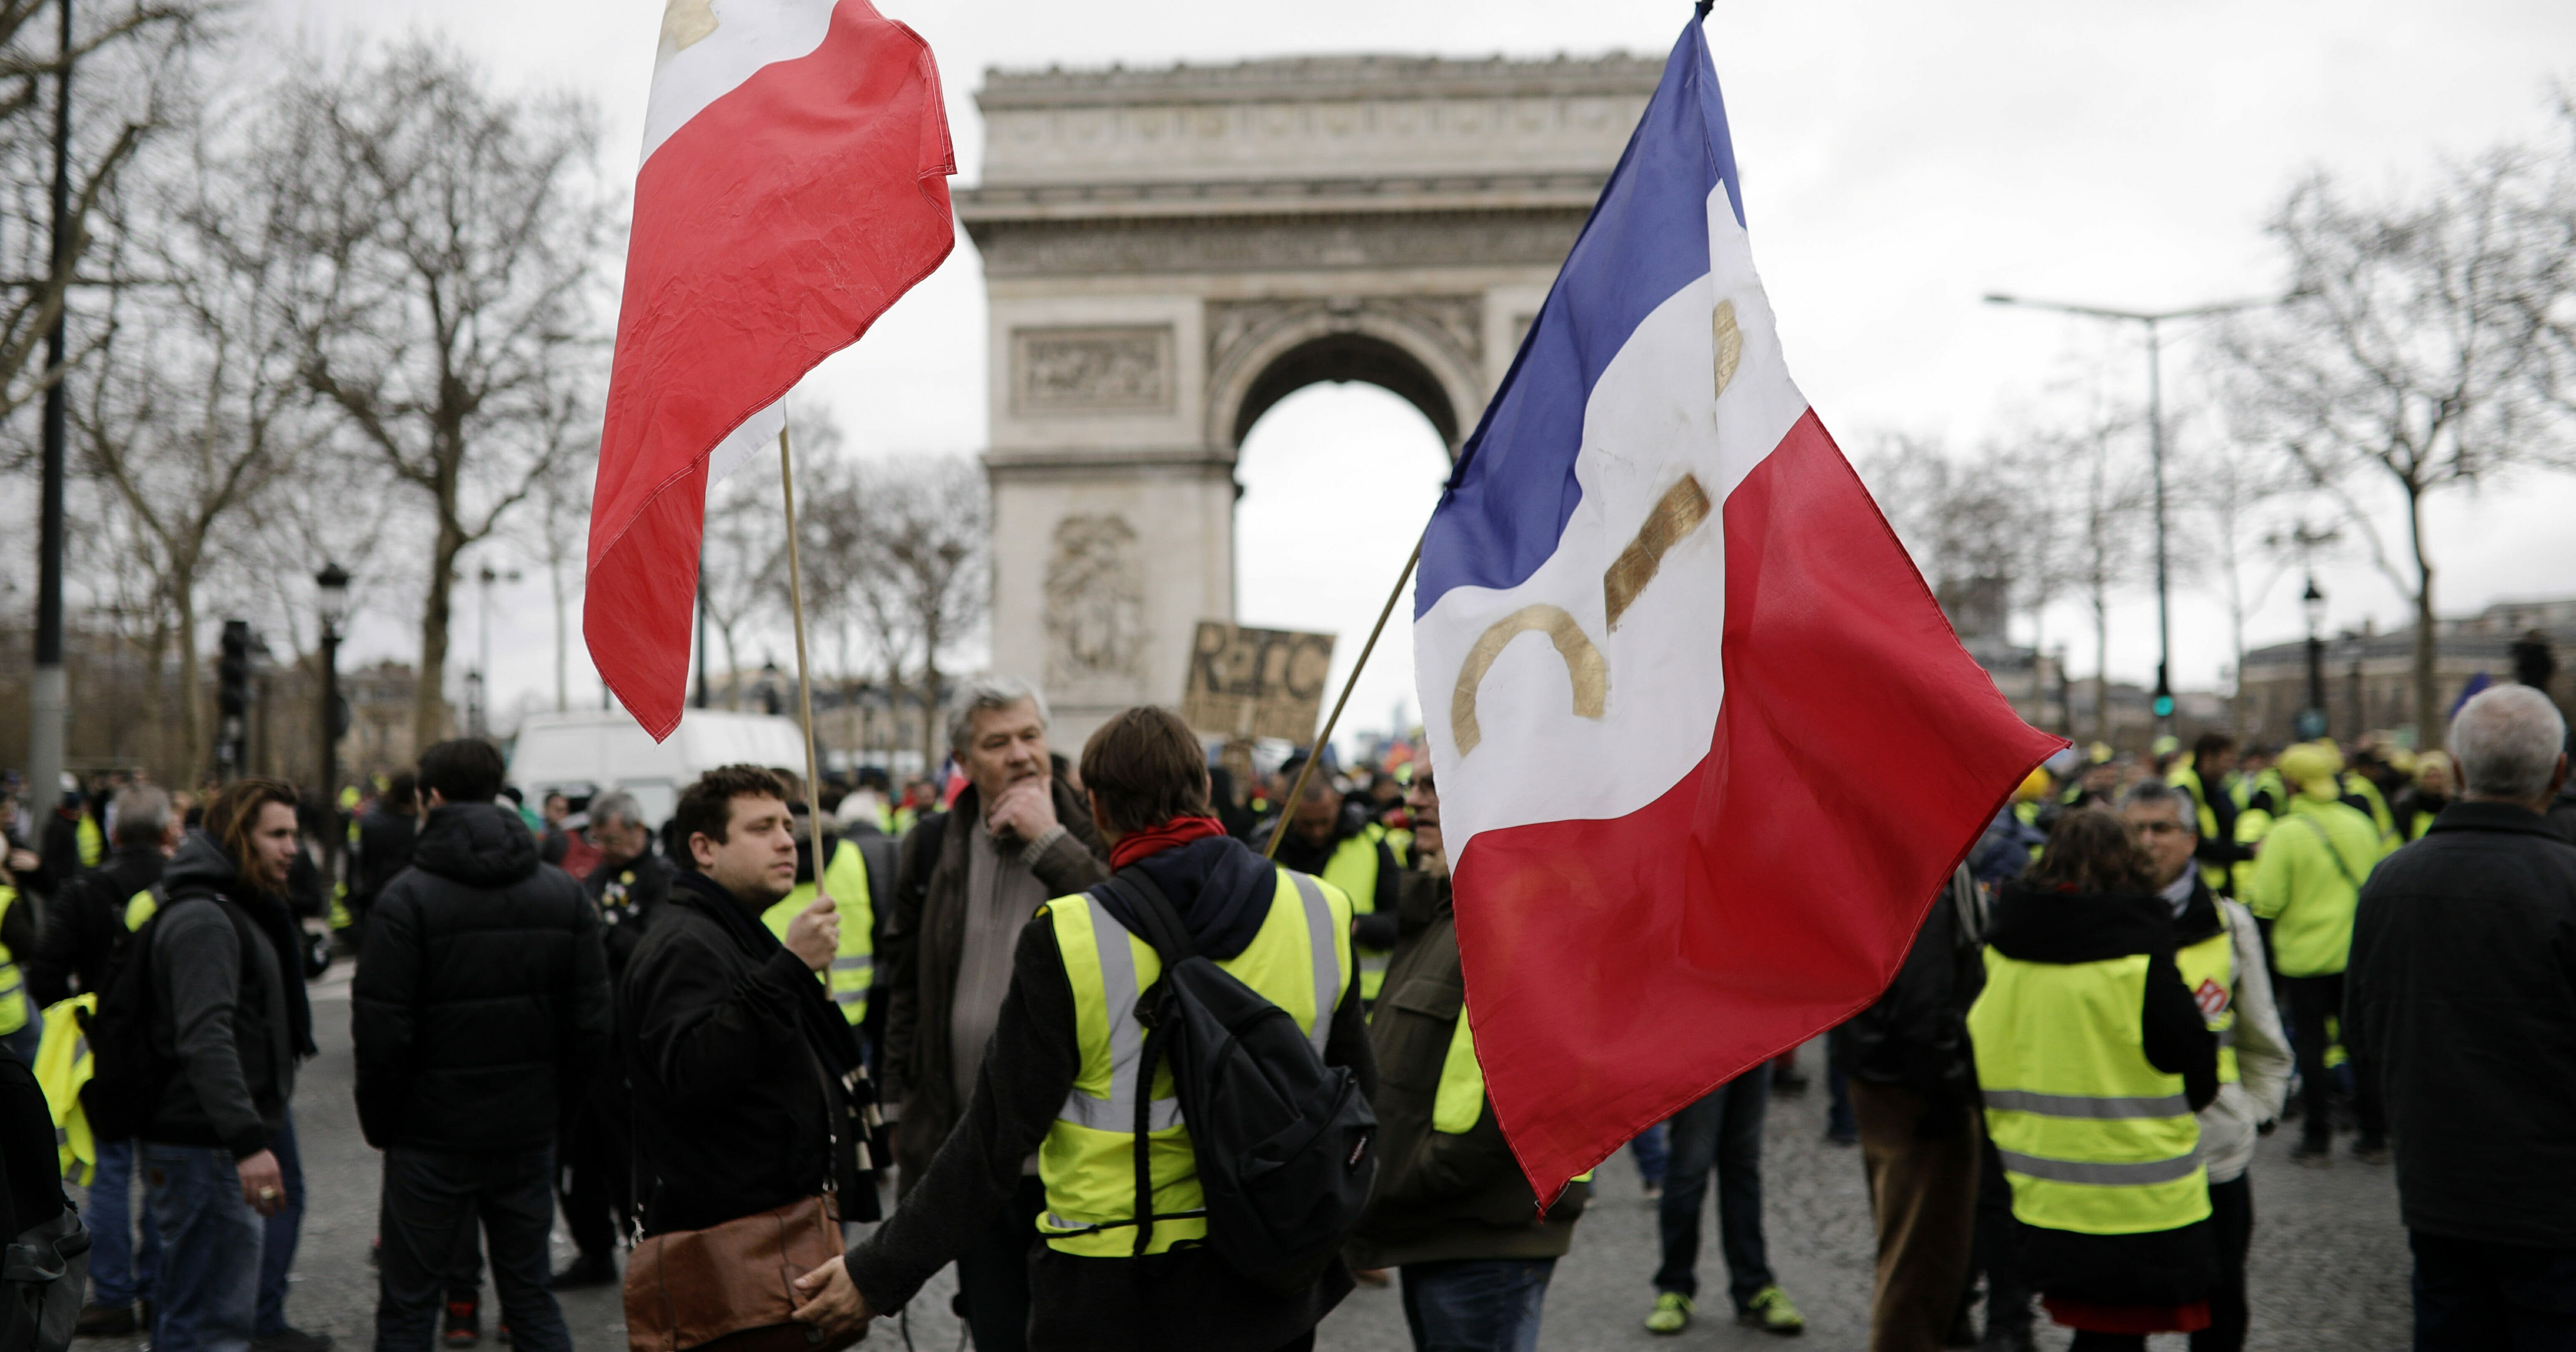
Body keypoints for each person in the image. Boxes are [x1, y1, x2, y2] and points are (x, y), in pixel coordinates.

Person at [796, 705, 1373, 1352]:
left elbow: (992, 1138)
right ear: (1207, 788)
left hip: (1114, 1280)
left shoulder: (1072, 933)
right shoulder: (1320, 908)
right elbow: (1356, 1097)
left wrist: (875, 1275)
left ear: (1095, 808)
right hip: (1273, 1272)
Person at [353, 739, 609, 1352]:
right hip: (524, 1129)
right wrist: (557, 1110)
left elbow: (382, 1032)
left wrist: (387, 1123)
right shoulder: (562, 892)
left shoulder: (405, 898)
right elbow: (593, 1024)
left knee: (410, 1306)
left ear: (429, 798)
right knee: (531, 1296)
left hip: (428, 1134)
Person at [883, 677, 1108, 1352]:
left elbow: (1131, 923)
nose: (1019, 753)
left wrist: (1048, 843)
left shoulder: (1098, 828)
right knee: (996, 1330)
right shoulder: (928, 846)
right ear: (962, 759)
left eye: (1030, 735)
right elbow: (906, 985)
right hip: (970, 1150)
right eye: (997, 742)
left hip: (1077, 1152)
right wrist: (899, 1102)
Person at [2348, 685, 2576, 1349]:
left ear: (2453, 767)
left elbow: (2363, 1034)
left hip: (2437, 1184)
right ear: (2559, 772)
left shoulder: (2389, 882)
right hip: (2554, 1197)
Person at [1347, 764, 1588, 1351]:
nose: (1415, 797)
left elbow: (1519, 1101)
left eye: (1436, 781)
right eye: (1413, 781)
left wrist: (1409, 1175)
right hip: (1441, 1224)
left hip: (1481, 1232)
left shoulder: (1521, 915)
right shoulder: (1450, 910)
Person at [1967, 808, 2219, 1351]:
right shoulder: (2141, 964)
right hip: (2141, 1203)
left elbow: (1975, 1057)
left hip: (2037, 1197)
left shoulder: (2003, 954)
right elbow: (2200, 1074)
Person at [618, 766, 860, 1240]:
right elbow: (695, 1071)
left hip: (770, 1221)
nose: (787, 842)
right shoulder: (686, 944)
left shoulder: (727, 929)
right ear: (704, 849)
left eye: (788, 827)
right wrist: (789, 970)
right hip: (736, 1244)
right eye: (761, 829)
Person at [141, 779, 314, 1352]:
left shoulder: (230, 904)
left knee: (207, 1312)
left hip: (211, 1140)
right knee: (210, 1323)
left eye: (294, 832)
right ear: (241, 835)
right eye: (277, 834)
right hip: (206, 1144)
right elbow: (206, 1036)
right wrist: (246, 1141)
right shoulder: (207, 918)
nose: (293, 847)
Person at [2119, 781, 2291, 1352]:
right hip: (2126, 1156)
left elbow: (2262, 1036)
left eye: (2161, 828)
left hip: (2213, 1154)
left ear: (2191, 839)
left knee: (2220, 1307)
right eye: (2136, 829)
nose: (2147, 842)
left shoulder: (2229, 922)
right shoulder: (2100, 923)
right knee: (2123, 1316)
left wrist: (2254, 1115)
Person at [31, 785, 177, 1335]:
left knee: (110, 1173)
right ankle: (160, 1290)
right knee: (165, 1171)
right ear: (168, 833)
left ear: (114, 834)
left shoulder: (85, 889)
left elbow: (45, 972)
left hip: (103, 1052)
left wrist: (83, 1015)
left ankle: (114, 1291)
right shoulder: (180, 890)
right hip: (166, 1048)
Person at [1827, 865, 1985, 1352]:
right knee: (1918, 1257)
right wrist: (1949, 1091)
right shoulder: (1927, 876)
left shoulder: (1888, 866)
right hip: (1912, 1086)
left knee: (1912, 1243)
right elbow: (1924, 1006)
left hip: (1882, 1071)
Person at [2241, 742, 2385, 1165]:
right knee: (2360, 1043)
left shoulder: (2287, 832)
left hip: (2303, 959)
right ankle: (2375, 1134)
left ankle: (2317, 1138)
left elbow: (2267, 900)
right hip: (2354, 954)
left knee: (2311, 1046)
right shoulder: (2360, 822)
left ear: (2292, 782)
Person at [550, 790, 671, 1289]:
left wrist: (611, 930)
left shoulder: (662, 880)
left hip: (635, 1042)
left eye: (615, 840)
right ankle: (594, 1249)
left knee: (630, 1157)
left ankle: (646, 1249)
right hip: (592, 1039)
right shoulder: (597, 876)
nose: (607, 849)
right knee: (581, 1155)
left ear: (638, 831)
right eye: (601, 841)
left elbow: (656, 948)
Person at [1641, 1076, 1804, 1334]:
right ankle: (1674, 1287)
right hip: (1698, 1050)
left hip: (1754, 1047)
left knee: (1742, 1167)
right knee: (1689, 1169)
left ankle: (1754, 1288)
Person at [1252, 768, 1400, 1005]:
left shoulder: (1372, 843)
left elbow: (1400, 921)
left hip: (1356, 1001)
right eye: (1306, 824)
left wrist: (1356, 925)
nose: (1317, 832)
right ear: (1286, 807)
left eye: (1324, 821)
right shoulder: (1265, 852)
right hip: (1281, 997)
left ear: (1338, 802)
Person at [2168, 733, 2253, 895]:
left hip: (2217, 883)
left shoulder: (2217, 788)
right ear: (2207, 758)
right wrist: (2245, 852)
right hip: (2196, 886)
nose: (2230, 767)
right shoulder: (2184, 788)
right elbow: (2195, 843)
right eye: (2226, 760)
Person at [350, 773, 421, 936]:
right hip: (405, 896)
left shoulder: (372, 822)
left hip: (375, 894)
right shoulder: (414, 828)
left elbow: (362, 861)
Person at [2389, 751, 2453, 842]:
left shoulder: (2454, 805)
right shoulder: (2408, 807)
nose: (2435, 782)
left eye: (2439, 776)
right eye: (2430, 777)